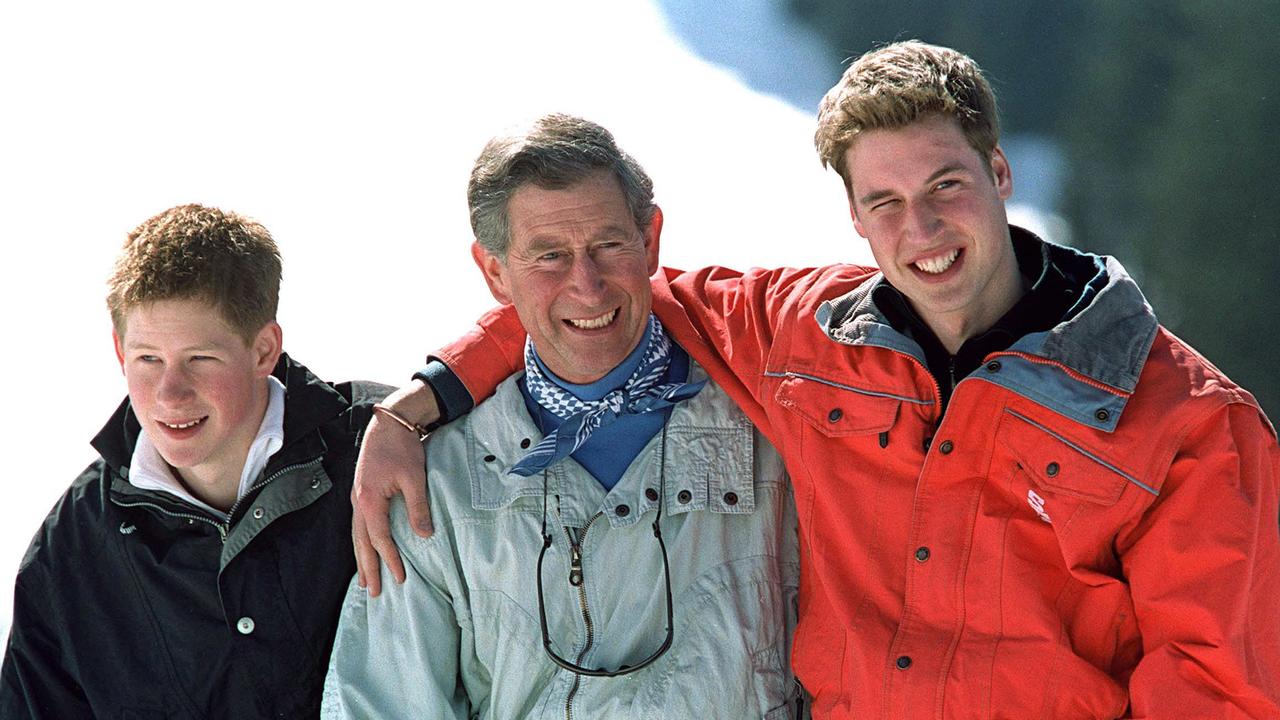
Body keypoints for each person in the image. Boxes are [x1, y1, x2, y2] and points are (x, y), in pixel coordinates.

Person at [352, 42, 1280, 718]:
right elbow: (602, 294)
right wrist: (424, 398)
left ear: (1000, 173)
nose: (921, 228)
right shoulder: (806, 337)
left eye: (947, 186)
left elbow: (1219, 688)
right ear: (854, 218)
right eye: (885, 201)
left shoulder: (1188, 423)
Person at [322, 114, 801, 718]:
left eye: (608, 245)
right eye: (549, 256)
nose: (588, 285)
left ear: (650, 240)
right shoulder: (433, 485)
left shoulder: (780, 437)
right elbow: (384, 704)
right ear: (495, 272)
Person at [0, 204, 389, 718]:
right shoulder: (72, 546)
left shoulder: (382, 449)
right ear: (120, 351)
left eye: (199, 359)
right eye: (148, 359)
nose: (170, 394)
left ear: (263, 350)